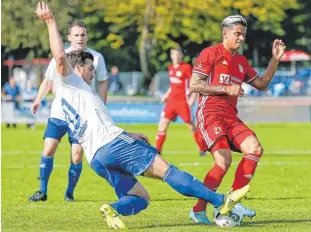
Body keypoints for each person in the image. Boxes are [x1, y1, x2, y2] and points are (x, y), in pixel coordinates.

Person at [34, 2, 250, 229]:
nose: (93, 72)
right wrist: (50, 21)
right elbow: (60, 58)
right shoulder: (72, 82)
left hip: (96, 157)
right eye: (90, 68)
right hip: (114, 145)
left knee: (141, 198)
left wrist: (128, 133)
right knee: (167, 171)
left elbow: (96, 124)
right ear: (77, 68)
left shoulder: (73, 96)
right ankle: (220, 201)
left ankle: (113, 208)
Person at [188, 15, 286, 224]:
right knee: (223, 161)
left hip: (231, 117)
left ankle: (233, 200)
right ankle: (197, 210)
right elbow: (195, 85)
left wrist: (275, 60)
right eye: (237, 34)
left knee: (255, 148)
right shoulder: (210, 53)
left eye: (243, 35)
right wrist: (226, 88)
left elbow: (261, 84)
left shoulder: (241, 61)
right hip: (210, 115)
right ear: (225, 34)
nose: (241, 38)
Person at [28, 18, 108, 202]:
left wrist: (102, 105)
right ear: (69, 37)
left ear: (87, 36)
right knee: (48, 149)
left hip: (82, 116)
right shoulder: (60, 57)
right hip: (59, 113)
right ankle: (42, 191)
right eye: (76, 35)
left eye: (83, 34)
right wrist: (38, 99)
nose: (80, 38)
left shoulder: (96, 58)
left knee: (77, 155)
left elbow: (103, 82)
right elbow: (48, 80)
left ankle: (69, 193)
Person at [156, 47, 206, 156]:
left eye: (178, 54)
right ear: (171, 56)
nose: (176, 57)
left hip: (183, 102)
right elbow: (172, 85)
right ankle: (158, 151)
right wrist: (166, 95)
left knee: (191, 126)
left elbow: (194, 84)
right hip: (171, 102)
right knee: (163, 124)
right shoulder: (170, 68)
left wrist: (193, 98)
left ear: (181, 56)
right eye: (174, 54)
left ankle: (202, 148)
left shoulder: (186, 67)